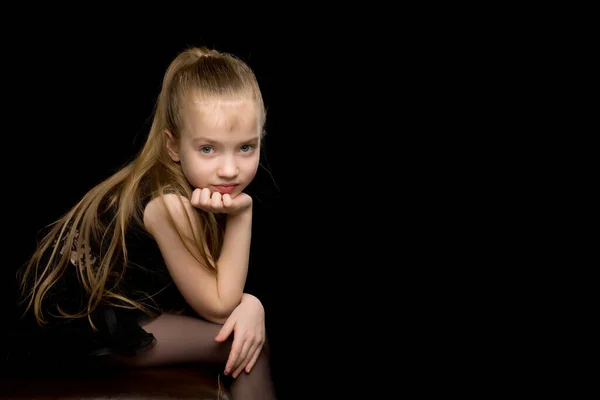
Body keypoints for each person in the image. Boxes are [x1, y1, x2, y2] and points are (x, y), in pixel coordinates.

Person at [15, 46, 277, 399]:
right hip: (80, 331)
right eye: (208, 149)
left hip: (122, 316)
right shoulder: (169, 203)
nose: (229, 169)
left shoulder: (193, 186)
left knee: (243, 334)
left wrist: (250, 304)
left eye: (245, 148)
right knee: (245, 346)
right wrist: (242, 216)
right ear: (173, 146)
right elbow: (220, 306)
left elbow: (211, 290)